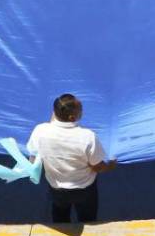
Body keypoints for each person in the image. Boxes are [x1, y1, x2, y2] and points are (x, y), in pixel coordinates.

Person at [26, 93, 117, 224]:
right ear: (73, 117)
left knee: (60, 218)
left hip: (56, 188)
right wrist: (110, 165)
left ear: (54, 112)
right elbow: (97, 166)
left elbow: (33, 155)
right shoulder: (87, 137)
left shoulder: (40, 131)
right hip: (84, 190)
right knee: (88, 220)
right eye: (81, 109)